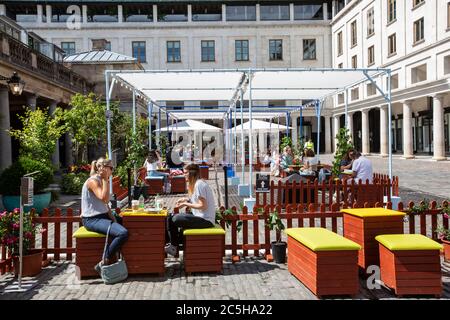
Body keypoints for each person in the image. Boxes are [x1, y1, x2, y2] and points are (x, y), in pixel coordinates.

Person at [81, 157, 128, 273]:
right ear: (102, 168)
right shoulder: (93, 181)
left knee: (128, 222)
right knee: (122, 233)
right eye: (111, 168)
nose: (112, 171)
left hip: (102, 216)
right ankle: (105, 260)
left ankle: (123, 257)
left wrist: (114, 218)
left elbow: (105, 206)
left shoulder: (100, 180)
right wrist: (105, 179)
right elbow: (105, 199)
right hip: (92, 219)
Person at [165, 163, 216, 256]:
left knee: (175, 219)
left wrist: (185, 204)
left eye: (185, 173)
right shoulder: (197, 183)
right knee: (169, 217)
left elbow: (203, 206)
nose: (183, 175)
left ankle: (173, 245)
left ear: (192, 173)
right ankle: (172, 245)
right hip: (200, 217)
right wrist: (186, 199)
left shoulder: (199, 185)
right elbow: (196, 200)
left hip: (206, 220)